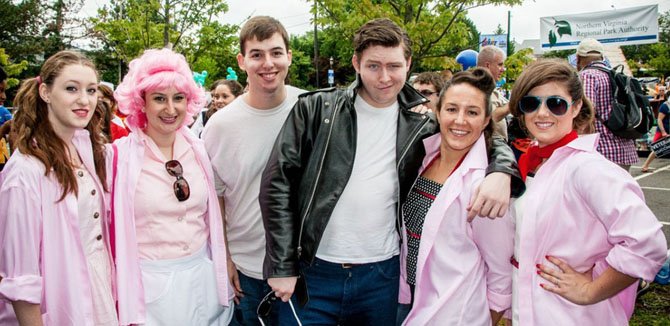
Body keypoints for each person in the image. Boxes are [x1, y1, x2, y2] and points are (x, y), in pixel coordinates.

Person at [260, 18, 523, 325]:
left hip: (383, 278)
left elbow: (480, 135)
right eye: (373, 66)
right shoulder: (316, 109)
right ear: (357, 63)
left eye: (394, 66)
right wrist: (282, 265)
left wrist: (502, 171)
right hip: (313, 273)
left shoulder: (422, 124)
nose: (384, 77)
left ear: (408, 63)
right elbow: (277, 184)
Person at [508, 59, 667, 325]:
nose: (542, 113)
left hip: (572, 315)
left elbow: (647, 243)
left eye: (555, 103)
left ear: (577, 106)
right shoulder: (535, 163)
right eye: (531, 103)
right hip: (531, 310)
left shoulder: (588, 169)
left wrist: (590, 290)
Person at [111, 48, 234, 325]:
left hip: (204, 281)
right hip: (150, 290)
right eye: (159, 98)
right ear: (141, 102)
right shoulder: (119, 157)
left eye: (178, 98)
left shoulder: (200, 150)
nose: (170, 109)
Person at [201, 16, 305, 325]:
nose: (267, 63)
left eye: (275, 52)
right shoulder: (220, 125)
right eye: (256, 54)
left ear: (289, 55)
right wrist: (227, 258)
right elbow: (215, 199)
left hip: (306, 268)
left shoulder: (312, 108)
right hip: (248, 270)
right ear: (242, 61)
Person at [0, 51, 116, 325]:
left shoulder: (85, 148)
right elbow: (21, 278)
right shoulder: (25, 171)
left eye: (91, 90)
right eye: (71, 89)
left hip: (98, 294)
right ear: (45, 92)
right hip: (61, 306)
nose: (84, 100)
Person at [399, 68, 514, 325]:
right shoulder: (422, 157)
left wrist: (488, 319)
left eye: (472, 112)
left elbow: (501, 272)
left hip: (455, 312)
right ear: (437, 112)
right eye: (451, 109)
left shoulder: (485, 186)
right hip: (408, 300)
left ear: (486, 120)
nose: (460, 120)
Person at [576, 38, 638, 171]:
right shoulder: (616, 75)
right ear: (602, 56)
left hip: (603, 150)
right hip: (626, 148)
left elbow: (587, 113)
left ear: (578, 58)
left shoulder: (587, 76)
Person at [478, 45, 510, 140]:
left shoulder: (492, 88)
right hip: (489, 147)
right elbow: (491, 118)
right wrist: (512, 104)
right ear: (487, 65)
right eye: (500, 64)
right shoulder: (478, 88)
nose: (503, 69)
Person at [641, 90, 669, 172]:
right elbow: (659, 120)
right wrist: (663, 132)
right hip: (662, 130)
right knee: (656, 149)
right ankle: (645, 165)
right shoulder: (665, 106)